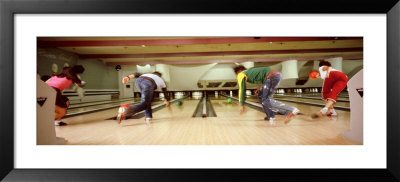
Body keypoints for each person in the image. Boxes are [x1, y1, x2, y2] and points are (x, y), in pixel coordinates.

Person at [233, 65, 299, 125]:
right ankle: (270, 116)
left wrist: (241, 104)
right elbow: (266, 73)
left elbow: (242, 89)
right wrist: (261, 87)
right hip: (274, 76)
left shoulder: (240, 74)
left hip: (271, 77)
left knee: (266, 100)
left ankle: (291, 110)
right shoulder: (251, 72)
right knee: (260, 95)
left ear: (238, 72)